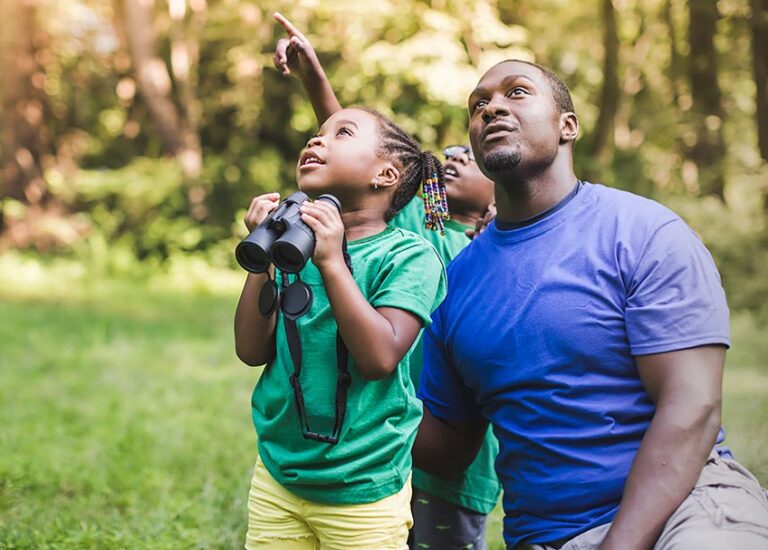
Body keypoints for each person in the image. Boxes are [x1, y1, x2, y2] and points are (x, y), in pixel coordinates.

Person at [413, 59, 768, 549]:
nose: (491, 107)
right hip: (549, 537)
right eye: (479, 104)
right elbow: (449, 446)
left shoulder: (642, 232)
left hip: (689, 508)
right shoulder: (455, 284)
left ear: (568, 126)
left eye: (516, 93)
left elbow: (693, 407)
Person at [272, 13, 501, 549]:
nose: (456, 156)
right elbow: (362, 165)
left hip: (454, 453)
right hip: (382, 433)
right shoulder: (421, 224)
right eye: (452, 153)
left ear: (502, 189)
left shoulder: (496, 249)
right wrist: (315, 82)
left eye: (472, 157)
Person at [234, 104, 448, 549]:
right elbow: (251, 350)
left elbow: (379, 357)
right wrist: (261, 260)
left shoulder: (408, 257)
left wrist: (332, 261)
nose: (317, 140)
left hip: (362, 485)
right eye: (317, 133)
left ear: (386, 175)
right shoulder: (292, 245)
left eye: (342, 133)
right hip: (280, 473)